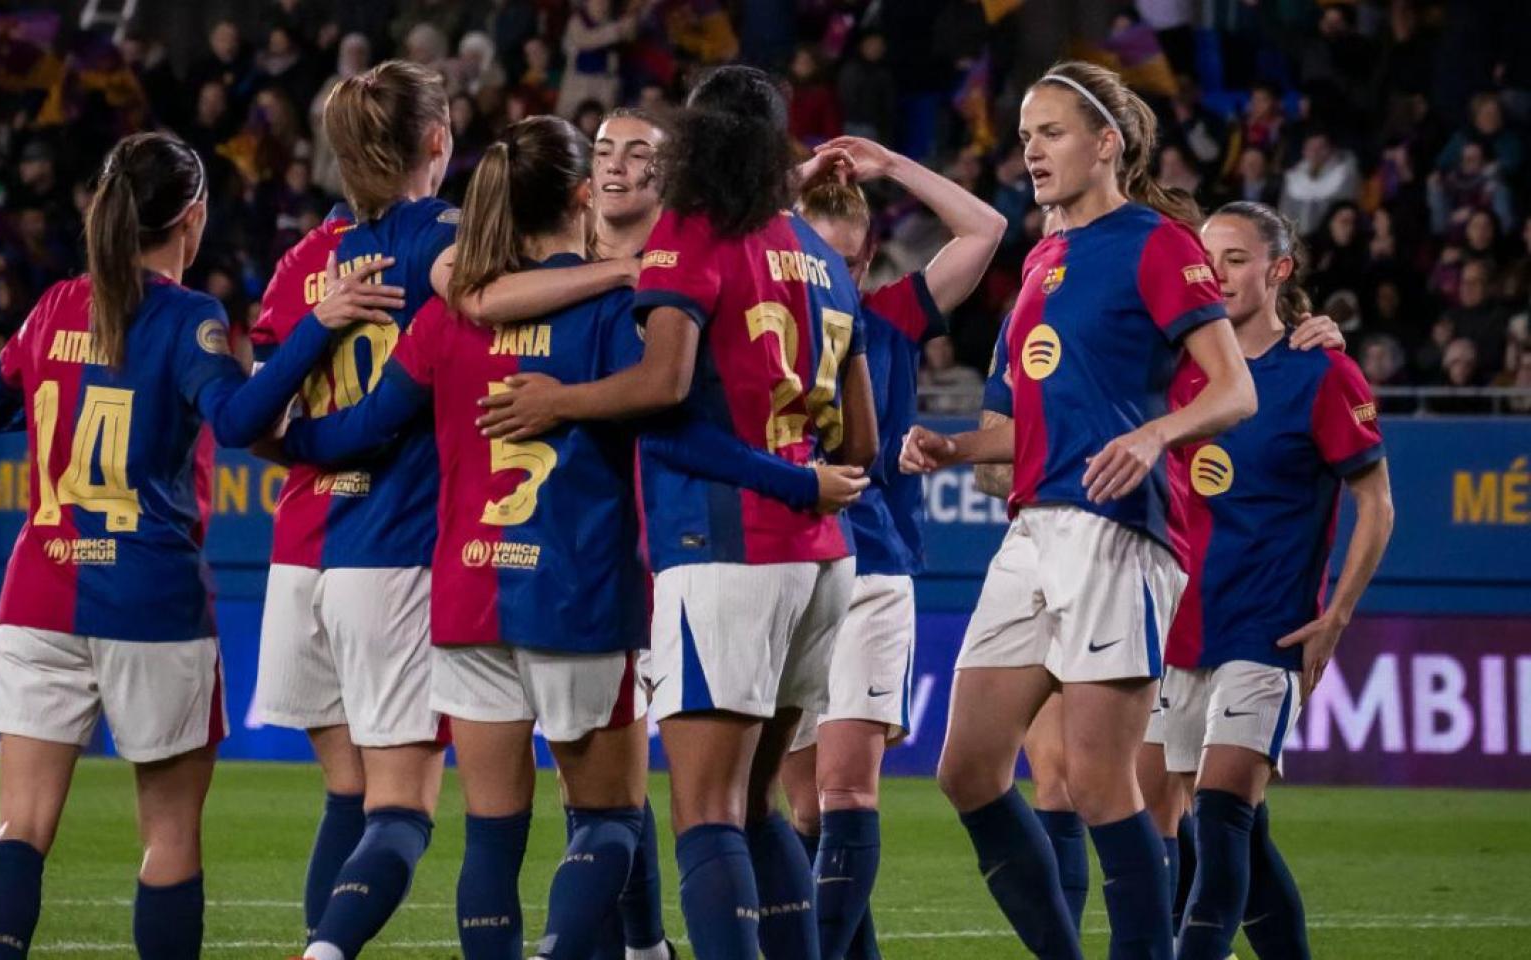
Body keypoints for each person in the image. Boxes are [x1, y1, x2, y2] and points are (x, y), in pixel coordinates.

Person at [283, 115, 863, 960]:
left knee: (491, 837)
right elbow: (671, 415)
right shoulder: (618, 314)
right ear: (582, 193)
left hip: (471, 589)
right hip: (580, 592)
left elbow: (358, 429)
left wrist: (273, 433)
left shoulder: (453, 316)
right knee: (610, 820)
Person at [0, 131, 394, 960]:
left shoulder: (55, 305)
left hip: (38, 593)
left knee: (20, 826)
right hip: (149, 599)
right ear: (191, 219)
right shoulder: (189, 317)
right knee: (168, 834)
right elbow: (236, 420)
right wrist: (320, 325)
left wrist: (64, 392)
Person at [476, 65, 878, 960]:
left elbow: (662, 388)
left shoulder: (694, 235)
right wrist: (803, 479)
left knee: (706, 813)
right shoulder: (817, 252)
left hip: (726, 547)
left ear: (695, 142)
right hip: (823, 557)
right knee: (761, 799)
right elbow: (863, 443)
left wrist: (560, 403)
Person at [900, 60, 1257, 960]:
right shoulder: (1043, 260)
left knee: (1100, 784)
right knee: (968, 770)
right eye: (1025, 136)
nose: (1032, 150)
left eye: (1051, 132)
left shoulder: (1157, 243)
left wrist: (1154, 436)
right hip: (1032, 529)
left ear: (1107, 144)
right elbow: (1025, 422)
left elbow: (1233, 390)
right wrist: (949, 443)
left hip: (1119, 528)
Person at [776, 136, 1007, 960]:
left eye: (847, 256)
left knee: (844, 792)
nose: (832, 270)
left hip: (870, 568)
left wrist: (897, 167)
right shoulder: (765, 319)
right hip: (789, 566)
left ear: (869, 254)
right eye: (814, 251)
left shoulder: (892, 318)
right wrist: (796, 177)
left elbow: (984, 230)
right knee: (801, 810)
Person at [247, 60, 458, 960]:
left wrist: (310, 448)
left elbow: (259, 416)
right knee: (404, 804)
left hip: (300, 557)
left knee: (348, 791)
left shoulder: (304, 261)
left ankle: (320, 943)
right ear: (438, 142)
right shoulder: (451, 240)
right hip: (397, 550)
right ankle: (323, 954)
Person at [1147, 201, 1394, 960]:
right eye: (1208, 258)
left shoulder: (1321, 372)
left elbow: (1375, 504)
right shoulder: (1182, 367)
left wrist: (1338, 615)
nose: (1216, 274)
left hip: (1268, 628)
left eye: (1235, 259)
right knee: (1218, 837)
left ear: (1278, 270)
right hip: (1181, 628)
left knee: (1221, 819)